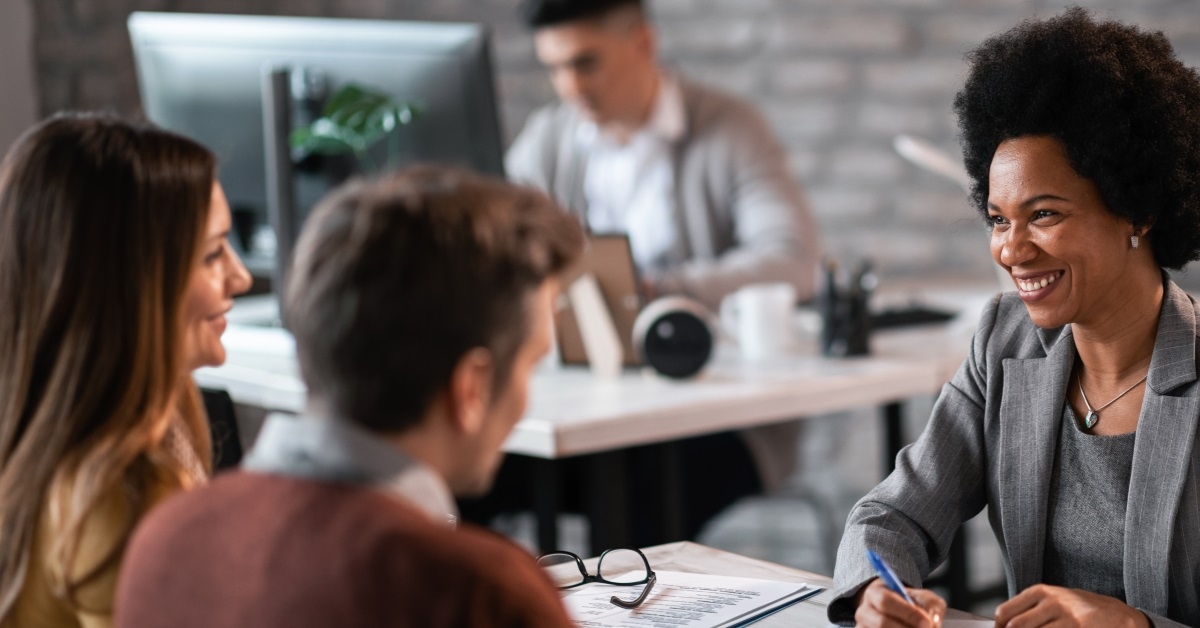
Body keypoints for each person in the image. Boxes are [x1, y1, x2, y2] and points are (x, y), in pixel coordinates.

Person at [829, 9, 1200, 628]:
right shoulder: (1007, 340)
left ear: (1138, 212)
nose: (1010, 250)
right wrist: (875, 591)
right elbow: (894, 515)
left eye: (1045, 215)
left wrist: (1133, 625)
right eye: (1000, 219)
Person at [114, 167, 584, 628]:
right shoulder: (475, 593)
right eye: (531, 364)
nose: (526, 398)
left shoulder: (164, 541)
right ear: (471, 388)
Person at [470, 0, 821, 543]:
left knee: (639, 505)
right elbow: (498, 245)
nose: (569, 86)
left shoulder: (729, 128)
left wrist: (648, 293)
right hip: (589, 403)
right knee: (468, 477)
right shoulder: (551, 137)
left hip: (717, 415)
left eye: (585, 62)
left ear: (642, 44)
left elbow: (792, 261)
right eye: (555, 67)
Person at [0, 113, 252, 628]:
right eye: (211, 255)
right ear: (129, 288)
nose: (240, 277)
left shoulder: (74, 456)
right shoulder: (122, 496)